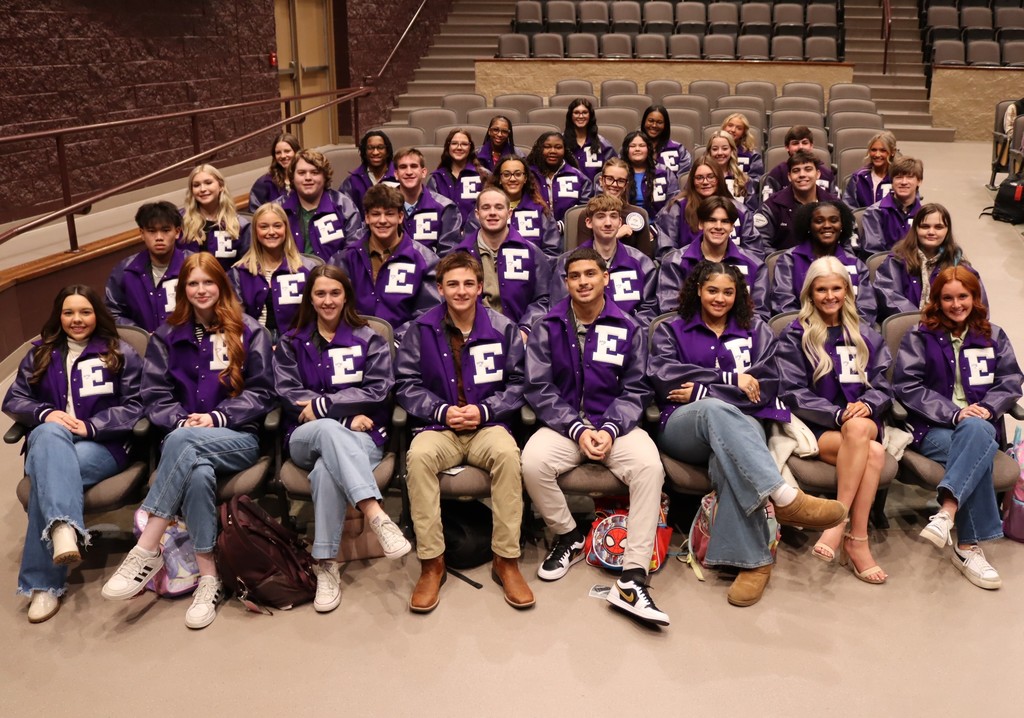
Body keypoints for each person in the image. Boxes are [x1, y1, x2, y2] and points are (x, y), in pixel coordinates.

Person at [649, 262, 847, 606]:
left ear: (738, 294)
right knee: (714, 411)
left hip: (742, 426)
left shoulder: (755, 331)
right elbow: (666, 377)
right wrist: (730, 381)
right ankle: (785, 498)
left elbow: (768, 385)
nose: (720, 298)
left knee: (730, 458)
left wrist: (701, 388)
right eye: (712, 290)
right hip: (684, 426)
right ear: (698, 290)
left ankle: (753, 564)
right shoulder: (673, 330)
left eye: (728, 292)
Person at [100, 254, 274, 629]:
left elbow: (263, 391)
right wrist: (182, 421)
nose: (200, 290)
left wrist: (216, 417)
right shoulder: (166, 335)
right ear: (182, 290)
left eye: (208, 283)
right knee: (195, 472)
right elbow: (154, 395)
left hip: (237, 437)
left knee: (183, 443)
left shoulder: (248, 331)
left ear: (221, 286)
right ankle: (209, 578)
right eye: (192, 284)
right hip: (185, 440)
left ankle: (147, 546)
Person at [521, 247, 668, 626]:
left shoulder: (628, 326)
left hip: (614, 426)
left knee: (650, 467)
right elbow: (539, 387)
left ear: (606, 278)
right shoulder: (546, 325)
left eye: (591, 274)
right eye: (575, 276)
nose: (583, 281)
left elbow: (637, 387)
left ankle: (634, 575)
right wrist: (577, 427)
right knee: (532, 462)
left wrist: (608, 428)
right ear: (565, 282)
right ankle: (569, 534)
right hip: (566, 425)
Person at [396, 252, 533, 613]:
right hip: (439, 425)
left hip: (488, 423)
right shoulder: (420, 329)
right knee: (419, 456)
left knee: (507, 454)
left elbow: (520, 384)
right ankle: (432, 562)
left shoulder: (503, 328)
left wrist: (484, 410)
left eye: (468, 284)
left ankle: (506, 559)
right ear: (440, 289)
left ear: (480, 287)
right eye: (453, 284)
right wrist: (441, 410)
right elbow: (406, 385)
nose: (461, 291)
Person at [273, 265, 411, 613]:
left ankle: (325, 564)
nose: (327, 300)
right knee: (330, 431)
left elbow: (380, 390)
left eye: (335, 293)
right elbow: (289, 394)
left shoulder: (369, 338)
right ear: (310, 298)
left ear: (346, 295)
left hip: (363, 439)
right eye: (320, 293)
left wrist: (323, 404)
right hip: (305, 437)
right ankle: (376, 514)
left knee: (325, 472)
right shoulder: (291, 342)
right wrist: (344, 414)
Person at [4, 286, 143, 624]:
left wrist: (91, 426)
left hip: (102, 446)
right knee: (48, 430)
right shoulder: (40, 353)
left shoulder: (119, 352)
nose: (77, 319)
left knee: (45, 483)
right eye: (69, 313)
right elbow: (14, 399)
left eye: (85, 312)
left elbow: (139, 405)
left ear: (97, 314)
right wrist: (45, 413)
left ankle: (44, 584)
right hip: (52, 444)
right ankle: (64, 529)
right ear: (59, 316)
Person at [893, 267, 1023, 590]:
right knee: (979, 437)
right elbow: (907, 386)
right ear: (936, 300)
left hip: (980, 425)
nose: (956, 304)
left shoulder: (994, 335)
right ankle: (966, 547)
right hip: (933, 428)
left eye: (963, 296)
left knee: (977, 431)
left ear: (974, 297)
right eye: (947, 298)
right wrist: (954, 413)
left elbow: (1010, 380)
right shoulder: (919, 336)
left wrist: (988, 407)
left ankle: (947, 516)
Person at [776, 256, 891, 585]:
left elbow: (884, 384)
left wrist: (867, 405)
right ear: (810, 293)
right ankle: (857, 540)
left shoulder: (866, 334)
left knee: (858, 428)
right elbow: (792, 389)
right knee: (876, 453)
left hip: (865, 420)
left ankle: (835, 523)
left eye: (836, 288)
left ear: (848, 291)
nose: (829, 295)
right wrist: (836, 413)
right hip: (819, 427)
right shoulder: (795, 334)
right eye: (821, 289)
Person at [328, 184, 440, 343]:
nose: (382, 221)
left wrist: (394, 339)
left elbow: (428, 312)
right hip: (352, 342)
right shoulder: (346, 258)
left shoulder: (424, 260)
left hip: (404, 345)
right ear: (366, 218)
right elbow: (334, 306)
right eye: (375, 214)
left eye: (389, 214)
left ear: (400, 217)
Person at [451, 187, 552, 341]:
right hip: (471, 337)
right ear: (477, 214)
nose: (492, 213)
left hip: (521, 336)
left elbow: (543, 299)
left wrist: (525, 329)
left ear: (509, 213)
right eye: (486, 208)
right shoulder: (459, 255)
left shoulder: (532, 252)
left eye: (499, 207)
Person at [549, 195, 658, 328]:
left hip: (628, 338)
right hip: (581, 338)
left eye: (613, 216)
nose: (608, 223)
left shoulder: (642, 263)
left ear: (620, 222)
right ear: (589, 222)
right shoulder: (567, 262)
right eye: (600, 216)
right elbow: (559, 308)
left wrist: (630, 334)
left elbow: (649, 311)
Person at [657, 196, 768, 317]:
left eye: (725, 221)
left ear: (732, 227)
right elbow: (671, 312)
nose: (718, 226)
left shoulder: (754, 265)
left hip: (740, 331)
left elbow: (759, 314)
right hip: (690, 332)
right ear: (700, 224)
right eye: (712, 220)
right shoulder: (675, 262)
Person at [874, 203, 985, 322]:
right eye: (925, 226)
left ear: (947, 231)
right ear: (915, 229)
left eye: (938, 227)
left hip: (948, 328)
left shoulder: (960, 266)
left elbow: (980, 305)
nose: (931, 232)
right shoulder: (896, 261)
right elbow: (888, 295)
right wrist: (920, 320)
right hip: (908, 327)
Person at [229, 203, 320, 344]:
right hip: (255, 341)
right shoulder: (240, 271)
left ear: (286, 229)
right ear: (255, 231)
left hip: (299, 342)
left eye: (277, 226)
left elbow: (315, 316)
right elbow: (237, 318)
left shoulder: (307, 268)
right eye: (264, 227)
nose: (271, 232)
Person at [770, 201, 876, 323]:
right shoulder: (790, 260)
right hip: (803, 333)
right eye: (819, 221)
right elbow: (784, 305)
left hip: (849, 333)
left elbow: (867, 308)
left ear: (842, 225)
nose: (827, 225)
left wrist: (842, 330)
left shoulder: (855, 264)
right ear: (808, 226)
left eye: (834, 220)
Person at [106, 201, 193, 332]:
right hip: (143, 349)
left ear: (177, 232)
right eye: (152, 231)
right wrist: (142, 337)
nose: (159, 237)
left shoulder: (194, 265)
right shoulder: (125, 270)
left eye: (165, 230)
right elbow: (113, 312)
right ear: (142, 233)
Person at [655, 158, 757, 259]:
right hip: (689, 269)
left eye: (711, 177)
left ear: (719, 179)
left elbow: (754, 251)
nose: (705, 182)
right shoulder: (677, 208)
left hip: (732, 270)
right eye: (699, 178)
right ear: (692, 181)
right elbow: (666, 251)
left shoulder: (740, 210)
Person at [280, 149, 365, 261]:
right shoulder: (278, 208)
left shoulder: (343, 206)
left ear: (325, 177)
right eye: (301, 173)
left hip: (334, 275)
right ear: (292, 177)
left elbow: (353, 249)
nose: (308, 178)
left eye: (315, 172)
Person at [474, 155, 561, 258]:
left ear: (525, 179)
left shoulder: (541, 211)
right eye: (506, 175)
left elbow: (552, 253)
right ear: (500, 179)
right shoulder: (484, 210)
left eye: (518, 174)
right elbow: (471, 248)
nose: (512, 179)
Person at [754, 150, 838, 253]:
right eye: (796, 170)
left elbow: (847, 246)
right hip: (786, 266)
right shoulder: (772, 205)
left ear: (818, 174)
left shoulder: (835, 204)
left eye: (808, 169)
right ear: (789, 176)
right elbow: (761, 246)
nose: (802, 175)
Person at [178, 164, 250, 272]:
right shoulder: (180, 220)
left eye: (208, 183)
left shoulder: (240, 224)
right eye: (196, 185)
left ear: (221, 186)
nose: (202, 189)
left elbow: (246, 263)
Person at [577, 158, 654, 258]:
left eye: (621, 181)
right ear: (601, 180)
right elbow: (583, 257)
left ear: (626, 185)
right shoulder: (588, 213)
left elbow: (645, 259)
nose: (614, 185)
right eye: (609, 179)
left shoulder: (638, 215)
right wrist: (615, 236)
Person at [393, 147, 462, 255]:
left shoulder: (445, 207)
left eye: (414, 166)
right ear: (396, 174)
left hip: (433, 270)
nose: (409, 172)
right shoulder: (384, 206)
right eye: (403, 167)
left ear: (423, 172)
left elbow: (449, 255)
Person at [859, 156, 924, 258]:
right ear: (891, 181)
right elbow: (874, 252)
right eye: (898, 177)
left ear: (919, 181)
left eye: (910, 177)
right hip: (886, 270)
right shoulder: (875, 212)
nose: (904, 182)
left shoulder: (925, 215)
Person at [526, 131, 593, 223]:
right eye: (547, 147)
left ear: (564, 150)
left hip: (570, 231)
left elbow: (585, 209)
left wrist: (564, 225)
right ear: (539, 149)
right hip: (535, 231)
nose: (553, 151)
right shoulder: (528, 175)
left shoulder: (578, 177)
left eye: (558, 147)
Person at [428, 128, 489, 224]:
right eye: (454, 143)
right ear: (448, 147)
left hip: (477, 233)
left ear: (470, 148)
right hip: (445, 235)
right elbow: (432, 211)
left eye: (464, 144)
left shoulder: (484, 175)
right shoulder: (436, 178)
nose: (459, 147)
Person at [762, 126, 836, 200]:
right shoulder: (777, 173)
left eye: (804, 143)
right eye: (795, 143)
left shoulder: (827, 174)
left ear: (811, 146)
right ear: (787, 147)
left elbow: (837, 205)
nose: (800, 147)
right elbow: (767, 204)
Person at [339, 130, 398, 219]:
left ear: (387, 151)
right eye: (370, 148)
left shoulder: (399, 177)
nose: (375, 152)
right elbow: (344, 214)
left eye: (380, 147)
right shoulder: (353, 181)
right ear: (364, 152)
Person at [621, 130, 678, 217]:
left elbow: (673, 203)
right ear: (626, 150)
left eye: (642, 145)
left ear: (648, 149)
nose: (637, 149)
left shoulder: (664, 172)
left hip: (658, 227)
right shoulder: (618, 172)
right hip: (623, 225)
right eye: (632, 146)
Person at [562, 98, 617, 182]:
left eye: (584, 112)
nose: (580, 116)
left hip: (596, 193)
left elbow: (615, 168)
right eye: (576, 113)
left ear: (590, 115)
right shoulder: (561, 143)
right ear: (570, 116)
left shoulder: (602, 143)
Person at [842, 130, 897, 209]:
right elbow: (848, 208)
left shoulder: (900, 178)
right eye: (873, 150)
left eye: (883, 150)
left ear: (892, 152)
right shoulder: (858, 177)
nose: (877, 155)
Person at [248, 132, 300, 211]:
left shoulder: (305, 178)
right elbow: (254, 214)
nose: (282, 156)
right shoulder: (264, 182)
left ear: (296, 152)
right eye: (278, 153)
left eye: (287, 151)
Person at [641, 104, 692, 178]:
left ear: (665, 125)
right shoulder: (632, 148)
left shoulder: (678, 149)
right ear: (644, 122)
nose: (654, 125)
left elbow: (684, 179)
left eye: (659, 122)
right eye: (651, 121)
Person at [705, 131, 752, 206]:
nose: (720, 153)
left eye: (725, 148)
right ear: (709, 152)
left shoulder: (743, 179)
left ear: (732, 151)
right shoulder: (700, 177)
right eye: (715, 149)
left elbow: (750, 211)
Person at [721, 112, 764, 182]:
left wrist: (744, 179)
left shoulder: (753, 156)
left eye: (739, 128)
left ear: (743, 133)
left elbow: (757, 182)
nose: (733, 130)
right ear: (724, 127)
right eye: (730, 125)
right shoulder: (712, 152)